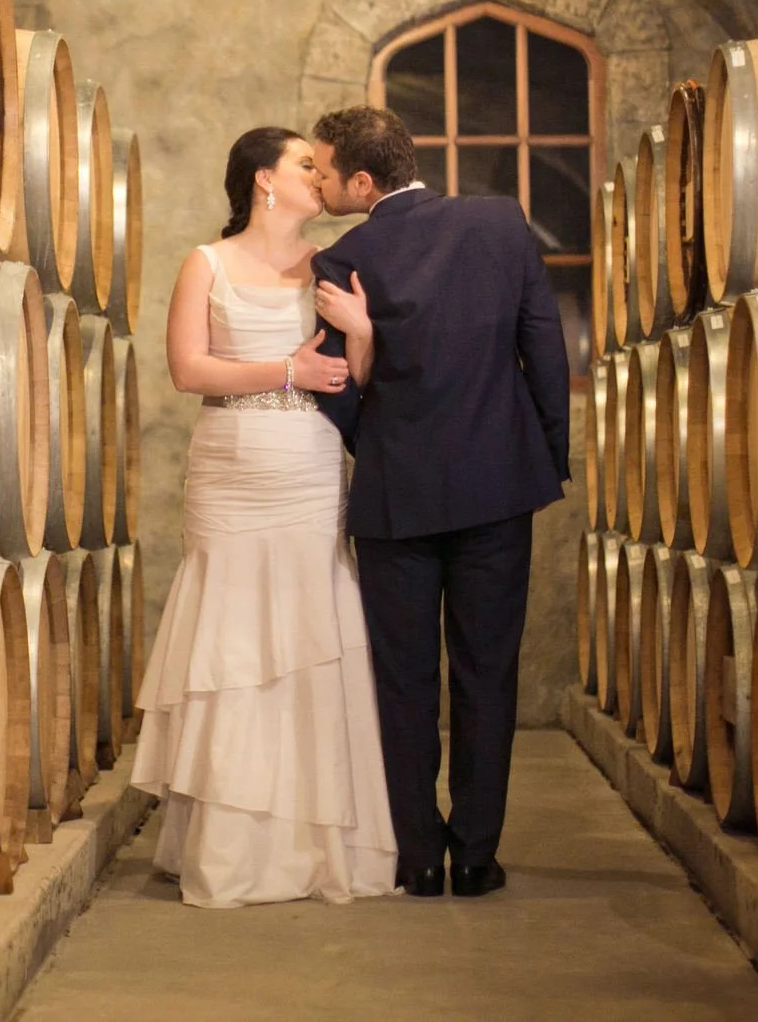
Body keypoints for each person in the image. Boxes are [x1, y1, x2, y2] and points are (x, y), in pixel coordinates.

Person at [128, 126, 398, 908]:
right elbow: (188, 368)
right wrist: (288, 368)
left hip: (309, 466)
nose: (321, 176)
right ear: (262, 182)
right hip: (231, 466)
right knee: (236, 641)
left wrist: (365, 333)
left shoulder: (333, 267)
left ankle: (314, 846)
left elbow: (357, 377)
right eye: (304, 165)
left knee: (308, 636)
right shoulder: (205, 263)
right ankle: (232, 846)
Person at [308, 105, 569, 900]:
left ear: (362, 179)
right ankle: (477, 854)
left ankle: (419, 855)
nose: (317, 184)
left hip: (398, 497)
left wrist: (375, 440)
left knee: (405, 677)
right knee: (489, 673)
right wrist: (542, 458)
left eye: (323, 170)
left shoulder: (342, 258)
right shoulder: (500, 223)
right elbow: (545, 349)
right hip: (499, 487)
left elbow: (334, 388)